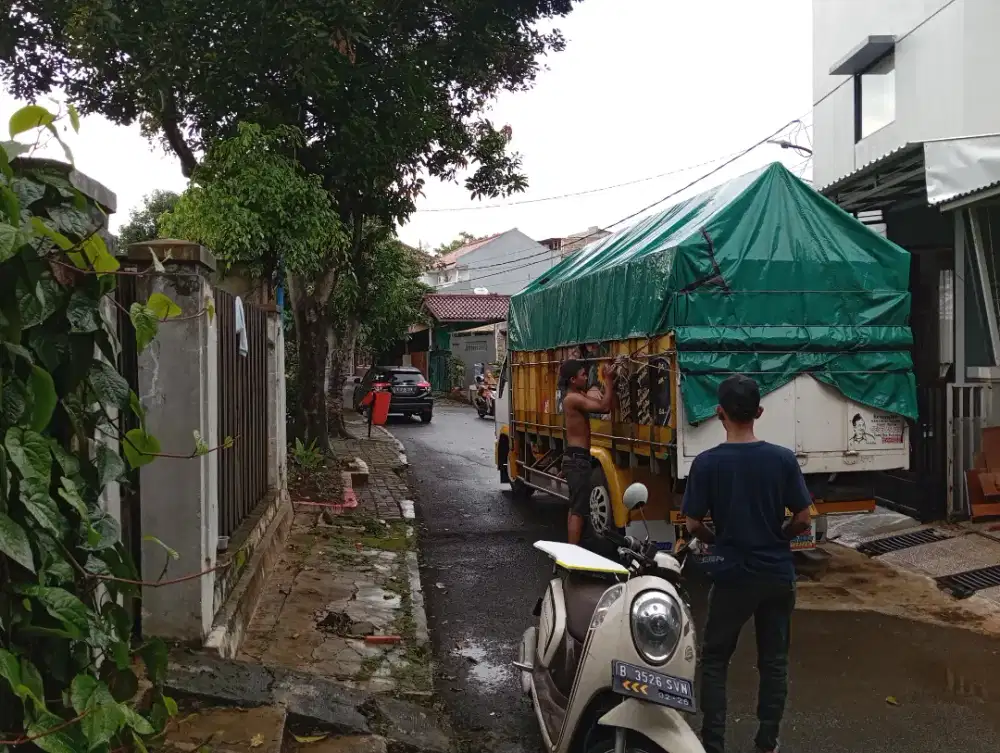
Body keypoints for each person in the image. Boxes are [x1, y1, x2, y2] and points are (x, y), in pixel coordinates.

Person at [681, 374, 812, 753]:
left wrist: (717, 540)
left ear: (719, 413)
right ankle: (767, 742)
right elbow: (803, 518)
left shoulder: (707, 464)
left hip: (732, 573)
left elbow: (692, 525)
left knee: (716, 659)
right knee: (773, 661)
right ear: (759, 411)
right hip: (776, 573)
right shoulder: (782, 459)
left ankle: (714, 743)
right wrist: (778, 536)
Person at [559, 358, 616, 547]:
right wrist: (608, 380)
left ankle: (572, 551)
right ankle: (573, 557)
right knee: (578, 510)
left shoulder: (575, 396)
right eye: (583, 375)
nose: (586, 378)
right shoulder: (573, 399)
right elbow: (604, 407)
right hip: (577, 459)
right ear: (573, 380)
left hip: (576, 458)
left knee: (576, 507)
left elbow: (598, 401)